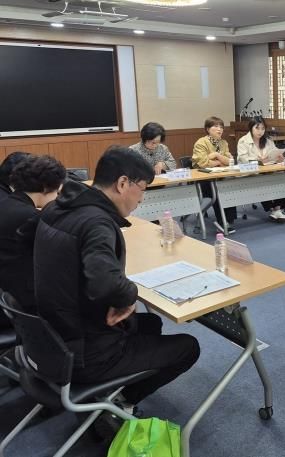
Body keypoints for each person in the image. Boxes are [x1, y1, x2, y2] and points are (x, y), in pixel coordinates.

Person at [34, 146, 200, 412]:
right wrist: (128, 297)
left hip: (50, 340)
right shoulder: (96, 222)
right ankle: (121, 403)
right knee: (188, 347)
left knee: (150, 323)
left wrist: (122, 299)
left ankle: (117, 389)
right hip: (85, 354)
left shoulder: (57, 207)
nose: (142, 199)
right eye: (142, 189)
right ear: (123, 183)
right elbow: (104, 282)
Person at [0, 155, 65, 327]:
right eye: (57, 192)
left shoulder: (6, 204)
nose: (57, 197)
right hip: (22, 305)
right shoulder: (30, 217)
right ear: (45, 187)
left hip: (7, 293)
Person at [236, 117, 285, 222]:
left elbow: (274, 154)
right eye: (257, 128)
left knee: (283, 178)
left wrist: (279, 158)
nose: (260, 131)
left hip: (268, 171)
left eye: (263, 128)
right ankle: (274, 209)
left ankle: (277, 209)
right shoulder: (243, 141)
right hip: (251, 174)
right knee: (263, 181)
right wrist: (258, 161)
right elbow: (243, 159)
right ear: (251, 128)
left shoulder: (268, 140)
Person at [192, 116, 237, 233]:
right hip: (204, 178)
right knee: (217, 190)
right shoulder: (201, 143)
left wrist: (216, 156)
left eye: (221, 127)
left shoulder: (223, 143)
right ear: (208, 129)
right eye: (216, 126)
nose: (219, 129)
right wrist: (220, 161)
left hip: (220, 175)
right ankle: (222, 222)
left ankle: (229, 219)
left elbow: (229, 162)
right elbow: (203, 163)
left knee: (230, 186)